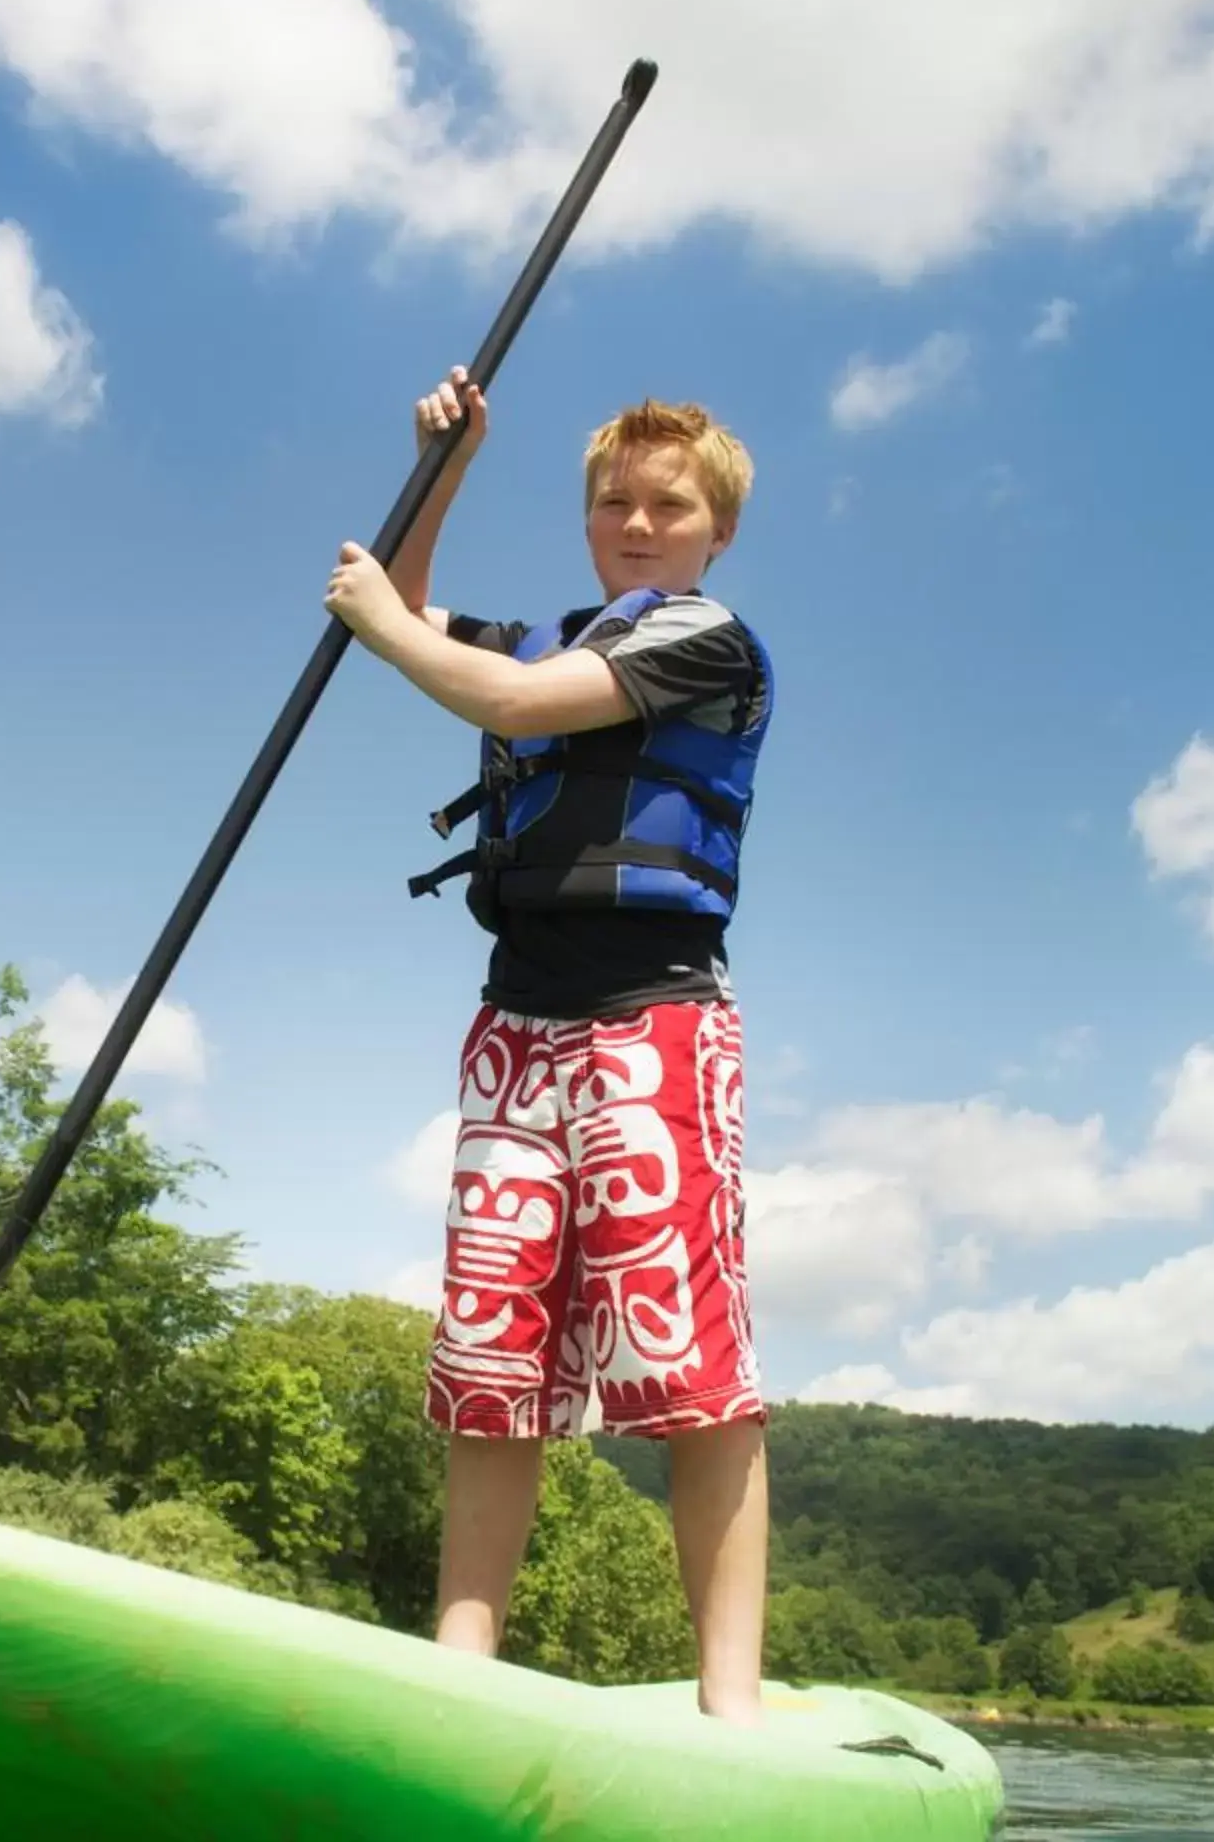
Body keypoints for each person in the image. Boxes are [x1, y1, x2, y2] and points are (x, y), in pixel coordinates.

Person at [322, 364, 773, 1725]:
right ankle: (462, 1674)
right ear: (589, 519)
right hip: (517, 1034)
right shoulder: (543, 636)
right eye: (615, 503)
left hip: (656, 1025)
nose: (639, 523)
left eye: (669, 504)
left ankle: (730, 1702)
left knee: (689, 1370)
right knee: (489, 1363)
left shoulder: (708, 643)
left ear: (714, 529)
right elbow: (403, 601)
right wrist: (441, 462)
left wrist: (385, 633)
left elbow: (492, 695)